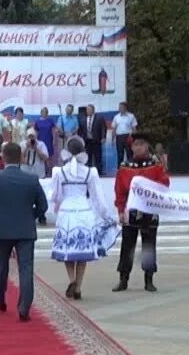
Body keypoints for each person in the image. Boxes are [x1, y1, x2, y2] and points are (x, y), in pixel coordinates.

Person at [0, 142, 49, 320]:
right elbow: (43, 206)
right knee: (26, 268)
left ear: (2, 157)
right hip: (25, 230)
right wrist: (30, 215)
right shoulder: (32, 179)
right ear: (21, 157)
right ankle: (24, 307)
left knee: (1, 267)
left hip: (2, 229)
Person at [49, 137, 118, 301]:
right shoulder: (90, 172)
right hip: (84, 212)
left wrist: (57, 203)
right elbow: (98, 198)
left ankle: (71, 280)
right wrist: (106, 216)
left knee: (68, 251)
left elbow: (55, 195)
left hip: (66, 213)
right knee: (82, 252)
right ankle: (78, 286)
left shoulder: (59, 172)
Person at [113, 134, 170, 293]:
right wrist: (120, 210)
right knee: (127, 246)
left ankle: (149, 279)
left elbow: (164, 184)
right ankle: (123, 279)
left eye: (142, 144)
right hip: (130, 212)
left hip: (150, 211)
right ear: (131, 147)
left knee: (149, 246)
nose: (138, 147)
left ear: (147, 146)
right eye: (136, 144)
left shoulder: (156, 165)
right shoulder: (125, 166)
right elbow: (119, 190)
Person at [81, 104, 108, 171]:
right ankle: (88, 171)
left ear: (93, 110)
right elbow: (81, 130)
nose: (88, 111)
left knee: (98, 157)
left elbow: (103, 128)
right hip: (87, 141)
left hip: (96, 140)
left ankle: (99, 172)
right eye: (87, 109)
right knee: (88, 157)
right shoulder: (83, 119)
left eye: (89, 109)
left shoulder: (99, 118)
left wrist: (103, 137)